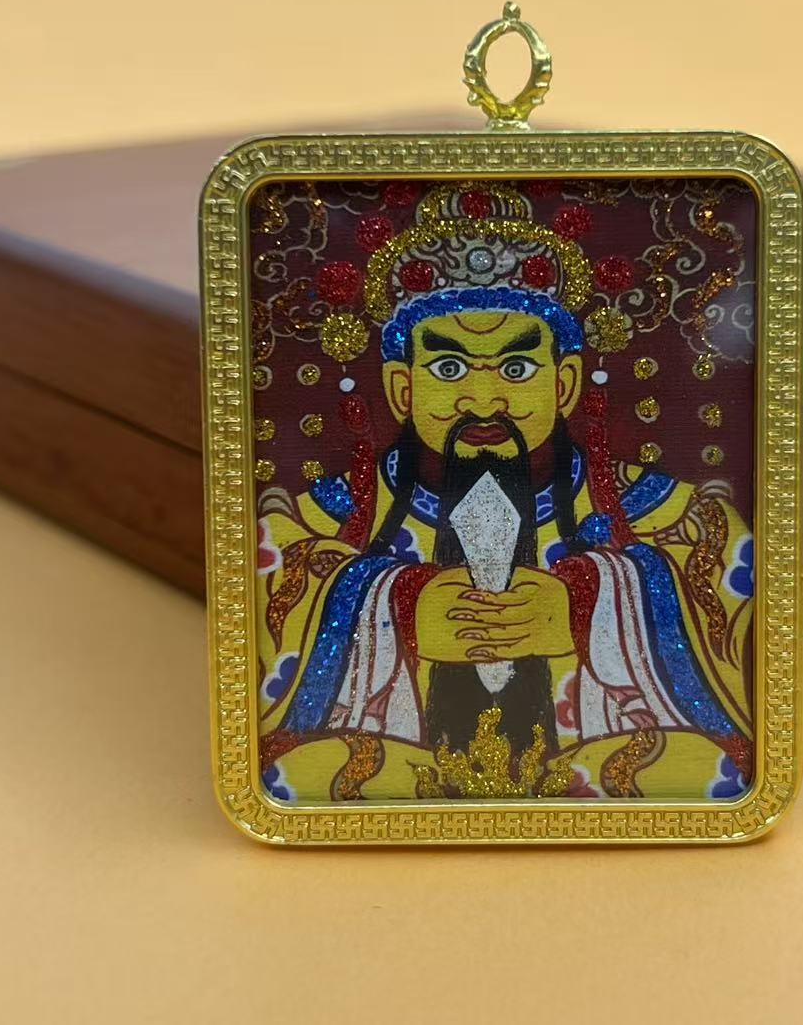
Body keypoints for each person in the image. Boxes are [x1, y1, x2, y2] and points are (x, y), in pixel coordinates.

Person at [254, 184, 754, 801]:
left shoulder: (681, 519)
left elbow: (730, 606)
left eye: (517, 370)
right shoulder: (309, 525)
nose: (485, 401)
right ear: (401, 389)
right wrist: (393, 609)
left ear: (565, 384)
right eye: (449, 369)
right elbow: (271, 602)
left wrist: (592, 608)